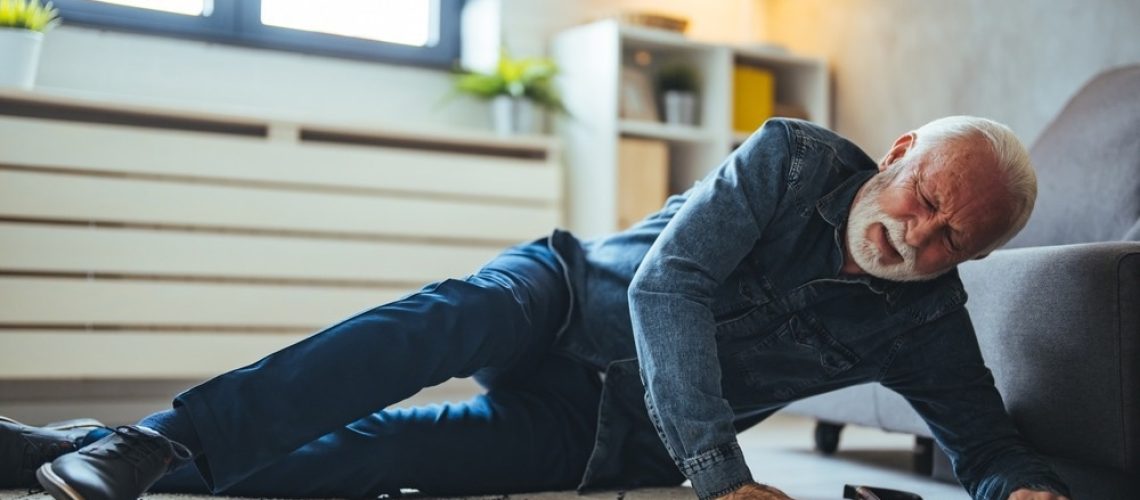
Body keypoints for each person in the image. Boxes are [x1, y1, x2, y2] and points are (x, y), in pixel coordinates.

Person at [0, 117, 1073, 500]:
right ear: (899, 153)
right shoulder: (791, 157)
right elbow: (668, 285)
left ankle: (67, 451)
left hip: (601, 435)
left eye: (955, 240)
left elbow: (984, 441)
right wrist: (723, 477)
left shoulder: (927, 319)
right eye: (925, 199)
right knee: (429, 326)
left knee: (379, 458)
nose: (920, 238)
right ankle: (159, 438)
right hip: (562, 299)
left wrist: (1022, 487)